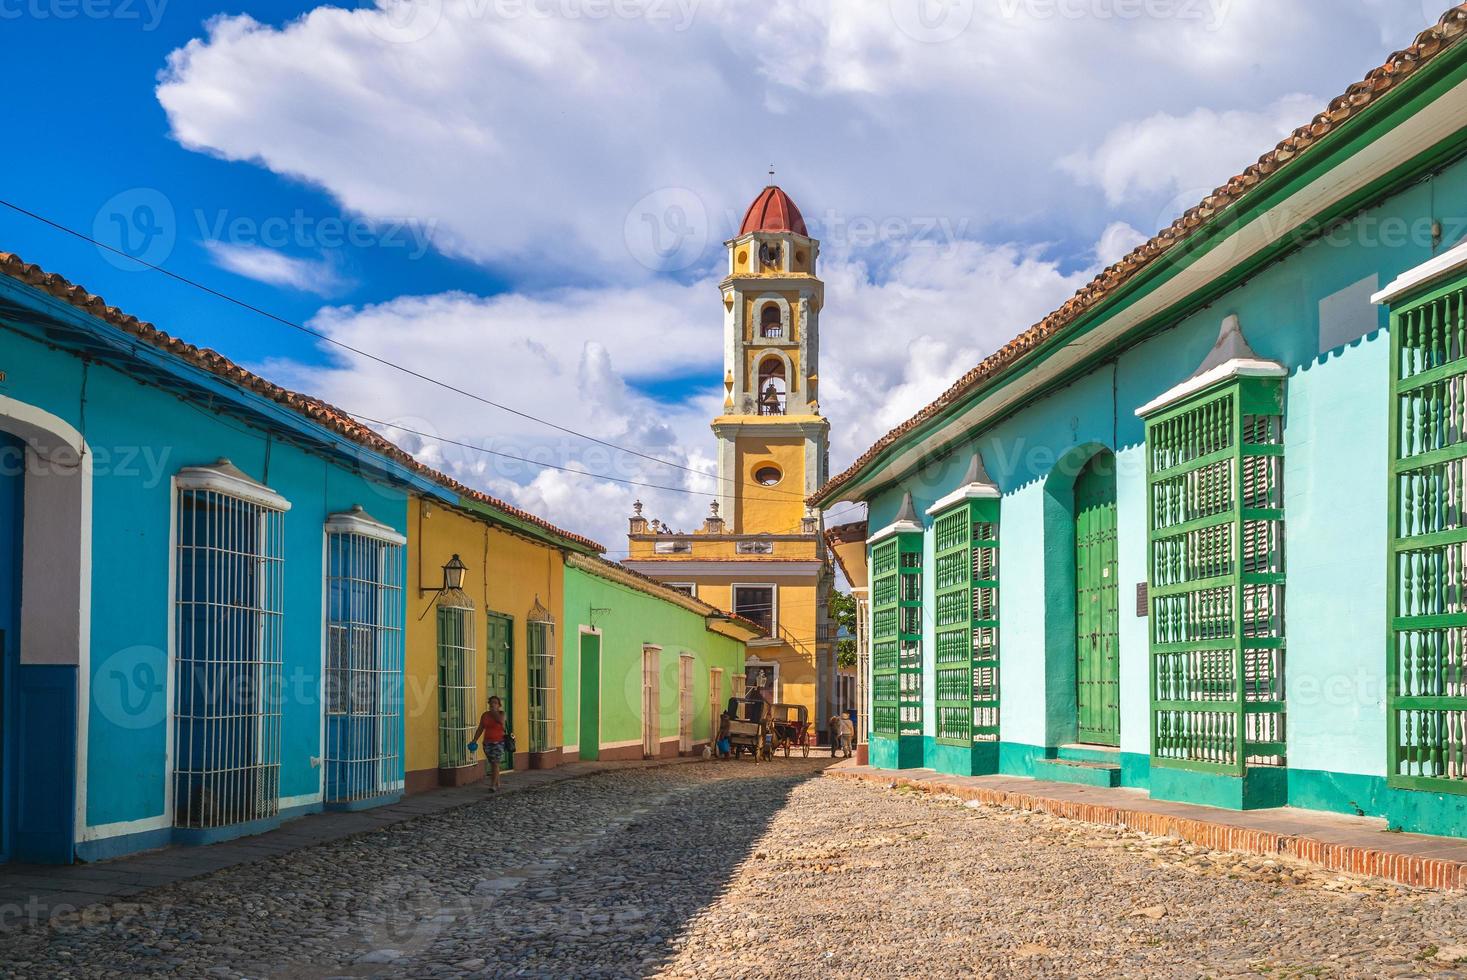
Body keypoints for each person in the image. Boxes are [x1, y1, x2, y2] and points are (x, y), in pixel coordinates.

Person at [469, 695, 507, 791]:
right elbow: (481, 728)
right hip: (487, 743)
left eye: (495, 703)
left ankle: (493, 785)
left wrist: (494, 712)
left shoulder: (501, 714)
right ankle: (497, 783)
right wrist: (474, 740)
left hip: (498, 742)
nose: (493, 704)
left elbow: (500, 721)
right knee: (493, 763)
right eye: (491, 702)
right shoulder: (485, 715)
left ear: (499, 705)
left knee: (495, 763)